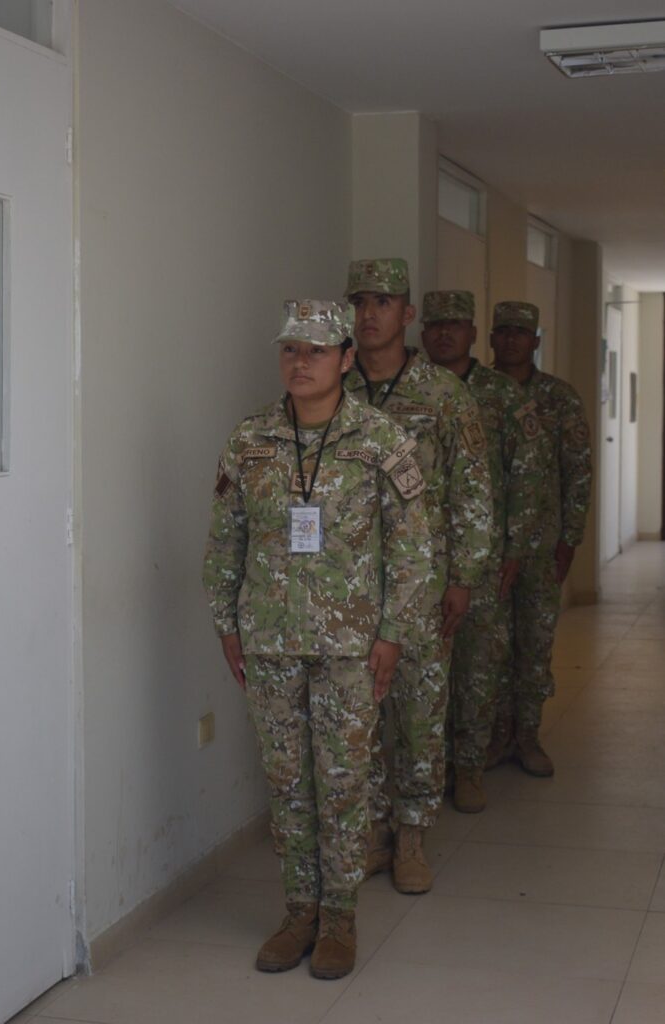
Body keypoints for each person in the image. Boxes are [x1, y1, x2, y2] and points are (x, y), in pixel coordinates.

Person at [203, 299, 433, 978]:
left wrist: (392, 633)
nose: (300, 362)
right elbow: (226, 539)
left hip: (351, 648)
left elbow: (412, 548)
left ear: (346, 359)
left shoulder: (381, 440)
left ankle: (339, 919)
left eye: (316, 350)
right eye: (290, 349)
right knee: (287, 784)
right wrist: (227, 622)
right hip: (270, 642)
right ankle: (298, 910)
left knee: (341, 785)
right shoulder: (251, 440)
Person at [343, 260, 492, 892]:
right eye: (360, 302)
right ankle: (375, 832)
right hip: (349, 587)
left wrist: (464, 576)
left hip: (422, 584)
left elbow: (472, 489)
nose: (369, 314)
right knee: (359, 711)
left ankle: (411, 837)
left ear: (407, 315)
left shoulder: (443, 394)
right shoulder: (335, 387)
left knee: (419, 713)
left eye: (383, 302)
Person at [421, 290, 541, 811]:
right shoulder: (407, 388)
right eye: (436, 324)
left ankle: (469, 766)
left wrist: (515, 546)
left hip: (483, 555)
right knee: (424, 672)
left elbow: (527, 475)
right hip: (419, 558)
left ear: (474, 333)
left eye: (455, 324)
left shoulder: (502, 395)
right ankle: (430, 769)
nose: (444, 332)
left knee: (476, 667)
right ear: (421, 331)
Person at [488, 301, 592, 776]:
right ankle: (494, 736)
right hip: (487, 545)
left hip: (541, 545)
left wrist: (570, 539)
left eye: (520, 332)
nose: (511, 339)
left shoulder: (559, 398)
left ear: (534, 341)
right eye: (503, 331)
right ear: (491, 338)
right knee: (490, 647)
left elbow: (578, 471)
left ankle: (527, 736)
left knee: (534, 642)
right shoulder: (474, 392)